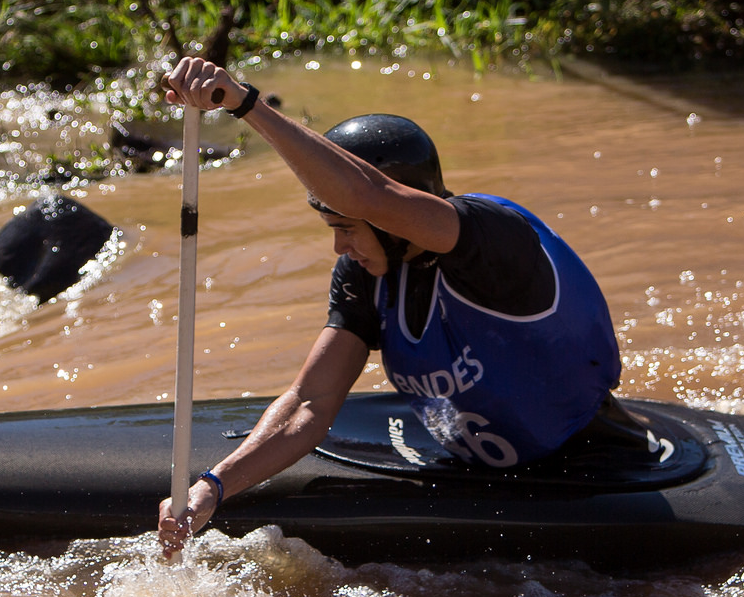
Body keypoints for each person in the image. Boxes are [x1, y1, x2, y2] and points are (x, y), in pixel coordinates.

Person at [156, 57, 622, 554]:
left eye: (346, 229)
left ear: (394, 216)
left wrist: (245, 103)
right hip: (472, 469)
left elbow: (366, 193)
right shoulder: (365, 275)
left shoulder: (493, 241)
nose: (340, 248)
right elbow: (310, 402)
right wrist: (211, 487)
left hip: (595, 464)